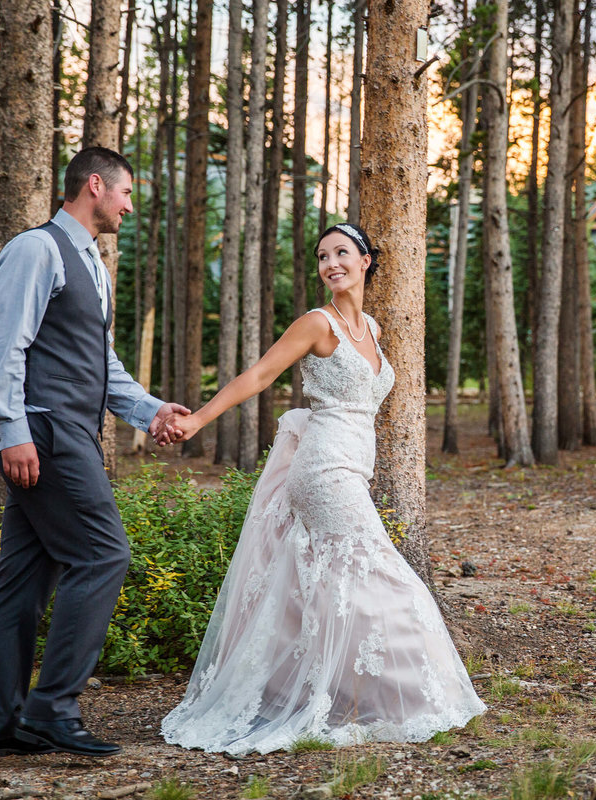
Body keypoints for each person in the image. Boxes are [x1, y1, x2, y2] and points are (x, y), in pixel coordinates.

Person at [160, 223, 486, 754]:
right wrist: (197, 420)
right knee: (383, 574)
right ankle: (414, 694)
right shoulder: (318, 323)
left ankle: (329, 690)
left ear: (365, 262)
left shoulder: (373, 330)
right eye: (322, 256)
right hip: (323, 469)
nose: (331, 263)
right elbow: (259, 376)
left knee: (329, 584)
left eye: (341, 253)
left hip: (353, 468)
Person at [0, 147, 189, 759]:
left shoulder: (92, 262)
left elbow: (101, 365)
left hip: (68, 430)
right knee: (103, 556)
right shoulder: (36, 249)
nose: (128, 205)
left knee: (23, 578)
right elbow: (4, 345)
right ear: (95, 185)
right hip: (45, 431)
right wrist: (9, 429)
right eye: (125, 193)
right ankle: (51, 709)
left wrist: (151, 411)